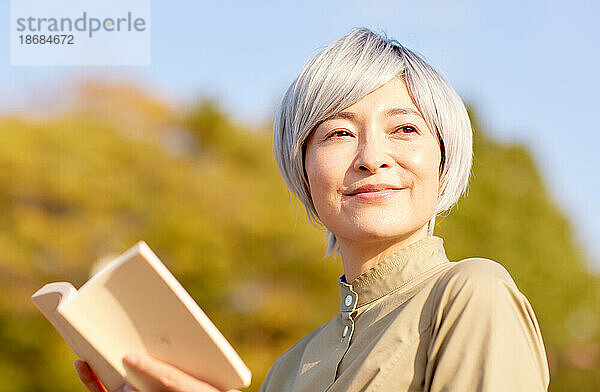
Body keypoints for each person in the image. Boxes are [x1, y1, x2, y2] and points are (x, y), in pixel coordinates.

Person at [75, 28, 550, 392]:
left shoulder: (472, 294)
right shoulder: (286, 369)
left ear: (444, 160)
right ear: (302, 170)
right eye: (339, 133)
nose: (371, 157)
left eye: (404, 129)